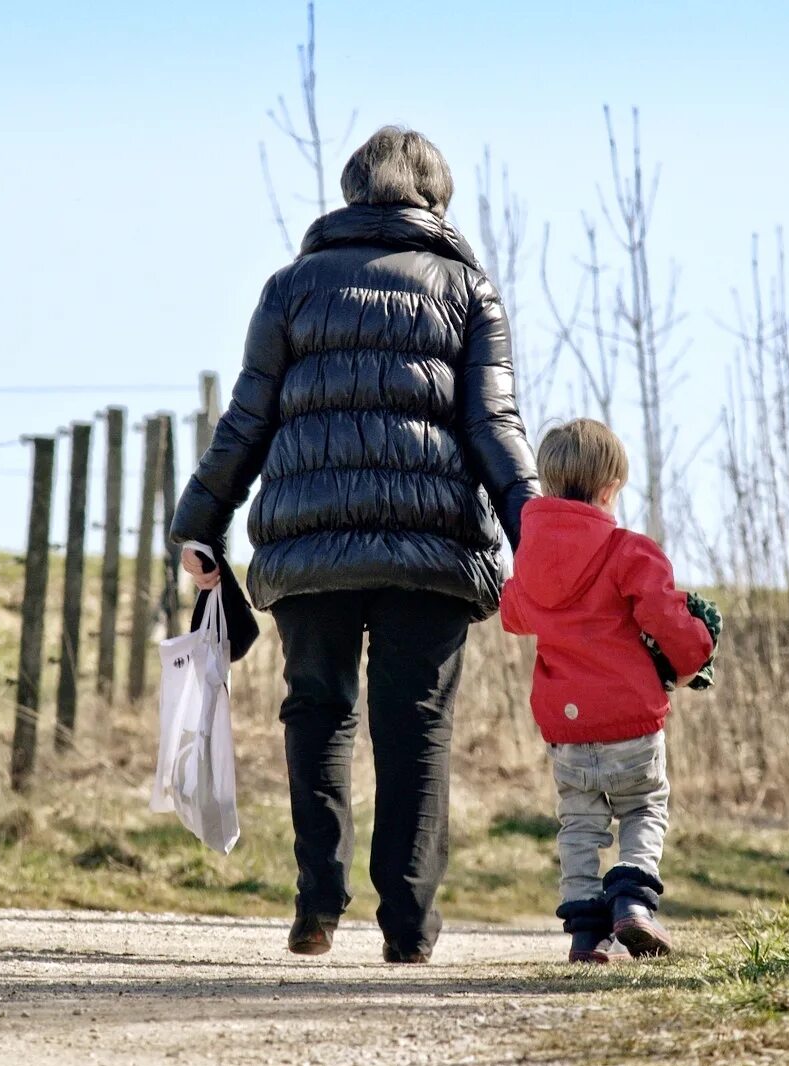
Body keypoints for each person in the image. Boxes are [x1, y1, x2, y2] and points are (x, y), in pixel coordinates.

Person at [171, 125, 538, 963]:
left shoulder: (289, 288)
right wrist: (539, 528)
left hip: (312, 547)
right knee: (415, 727)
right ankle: (407, 926)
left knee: (318, 711)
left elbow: (248, 422)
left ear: (351, 192)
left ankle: (317, 904)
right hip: (432, 551)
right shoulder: (468, 290)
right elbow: (492, 425)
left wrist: (199, 524)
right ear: (435, 198)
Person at [497, 418, 715, 962]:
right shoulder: (627, 551)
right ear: (610, 489)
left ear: (547, 486)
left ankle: (585, 934)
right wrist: (697, 650)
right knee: (643, 806)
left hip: (567, 730)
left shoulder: (531, 559)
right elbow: (668, 618)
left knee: (580, 823)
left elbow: (514, 613)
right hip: (630, 720)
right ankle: (633, 905)